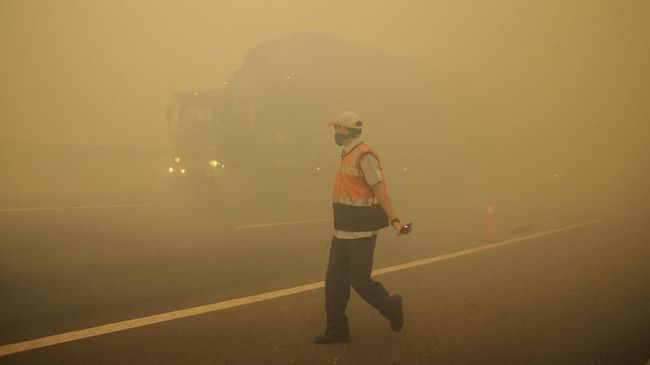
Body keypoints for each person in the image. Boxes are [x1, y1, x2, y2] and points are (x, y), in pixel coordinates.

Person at [313, 111, 410, 344]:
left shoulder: (364, 156)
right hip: (342, 232)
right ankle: (337, 330)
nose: (334, 132)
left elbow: (380, 191)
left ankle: (391, 305)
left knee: (360, 281)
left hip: (361, 233)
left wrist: (395, 221)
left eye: (337, 128)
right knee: (335, 283)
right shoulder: (347, 154)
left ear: (345, 131)